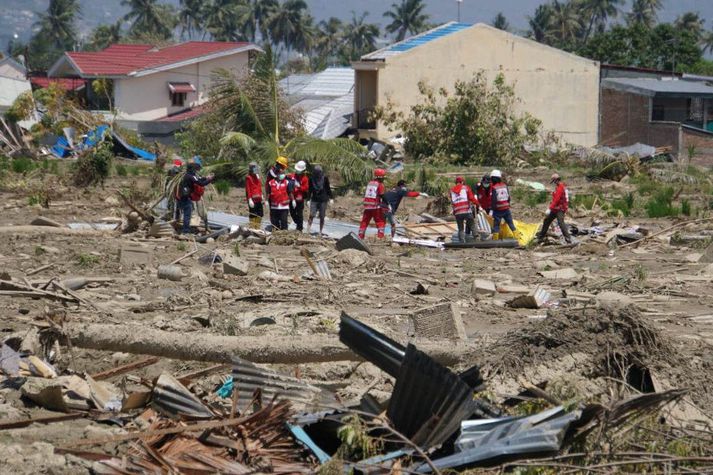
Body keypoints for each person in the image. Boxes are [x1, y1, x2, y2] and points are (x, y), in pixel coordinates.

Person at [176, 156, 214, 234]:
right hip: (186, 198)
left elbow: (199, 179)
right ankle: (185, 231)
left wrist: (206, 177)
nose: (196, 171)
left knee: (185, 213)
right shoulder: (191, 176)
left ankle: (183, 228)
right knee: (187, 215)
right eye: (196, 170)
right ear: (192, 169)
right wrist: (209, 179)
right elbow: (201, 183)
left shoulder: (188, 175)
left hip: (183, 197)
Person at [537, 173, 572, 244]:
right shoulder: (560, 187)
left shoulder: (560, 187)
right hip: (556, 208)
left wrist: (550, 208)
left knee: (560, 222)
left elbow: (556, 200)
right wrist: (553, 193)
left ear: (556, 180)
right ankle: (541, 237)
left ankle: (568, 238)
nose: (553, 183)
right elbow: (557, 197)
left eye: (553, 182)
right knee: (546, 221)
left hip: (560, 209)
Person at [358, 168, 387, 239]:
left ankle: (360, 236)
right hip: (375, 206)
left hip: (367, 206)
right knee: (380, 221)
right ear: (380, 177)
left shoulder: (370, 183)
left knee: (364, 221)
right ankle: (380, 237)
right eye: (383, 177)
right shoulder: (380, 184)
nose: (383, 179)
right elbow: (382, 195)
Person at [450, 176, 479, 243]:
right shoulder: (466, 188)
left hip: (457, 212)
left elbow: (452, 202)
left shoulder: (451, 190)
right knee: (472, 225)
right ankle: (476, 239)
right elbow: (472, 198)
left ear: (456, 182)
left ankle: (462, 242)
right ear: (462, 182)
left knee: (460, 228)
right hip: (466, 211)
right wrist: (478, 204)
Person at [490, 169, 517, 239]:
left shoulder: (494, 188)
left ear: (493, 179)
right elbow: (508, 197)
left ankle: (495, 240)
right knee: (511, 224)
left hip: (498, 210)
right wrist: (507, 204)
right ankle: (518, 237)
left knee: (496, 225)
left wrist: (492, 209)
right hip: (506, 209)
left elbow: (494, 200)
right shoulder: (505, 186)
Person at [307, 165, 333, 236]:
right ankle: (308, 230)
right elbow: (310, 190)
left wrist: (331, 198)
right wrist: (308, 199)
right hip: (314, 199)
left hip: (323, 199)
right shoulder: (311, 179)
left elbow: (328, 188)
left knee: (322, 216)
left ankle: (320, 231)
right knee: (311, 215)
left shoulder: (325, 178)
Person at [288, 160, 309, 231]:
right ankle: (297, 222)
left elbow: (305, 188)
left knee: (299, 213)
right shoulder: (292, 176)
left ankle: (299, 228)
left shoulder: (305, 179)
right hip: (292, 197)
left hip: (300, 198)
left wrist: (299, 186)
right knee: (292, 212)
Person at [245, 162, 263, 229]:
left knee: (260, 214)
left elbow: (259, 186)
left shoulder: (257, 176)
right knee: (253, 214)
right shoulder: (248, 177)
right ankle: (253, 227)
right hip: (252, 200)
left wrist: (261, 195)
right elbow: (248, 189)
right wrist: (249, 199)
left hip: (258, 198)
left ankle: (257, 227)